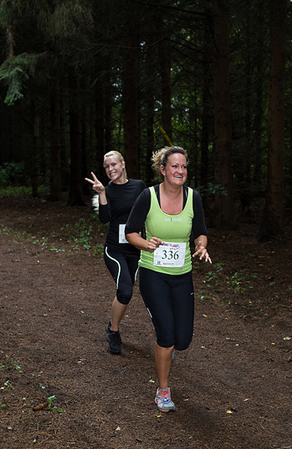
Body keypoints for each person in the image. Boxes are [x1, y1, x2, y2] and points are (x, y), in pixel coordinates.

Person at [125, 146, 211, 412]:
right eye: (174, 166)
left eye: (184, 167)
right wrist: (146, 244)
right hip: (153, 274)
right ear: (162, 169)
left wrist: (201, 244)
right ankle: (163, 390)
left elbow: (200, 231)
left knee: (182, 340)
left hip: (182, 275)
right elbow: (130, 233)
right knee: (167, 337)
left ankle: (167, 337)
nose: (180, 171)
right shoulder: (147, 196)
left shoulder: (193, 197)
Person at [85, 151, 147, 354]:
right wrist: (102, 193)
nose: (110, 169)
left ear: (123, 164)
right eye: (107, 166)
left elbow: (149, 212)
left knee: (124, 292)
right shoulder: (108, 190)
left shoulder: (139, 186)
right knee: (126, 291)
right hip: (115, 250)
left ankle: (112, 326)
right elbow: (104, 218)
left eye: (114, 164)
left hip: (136, 249)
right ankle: (114, 331)